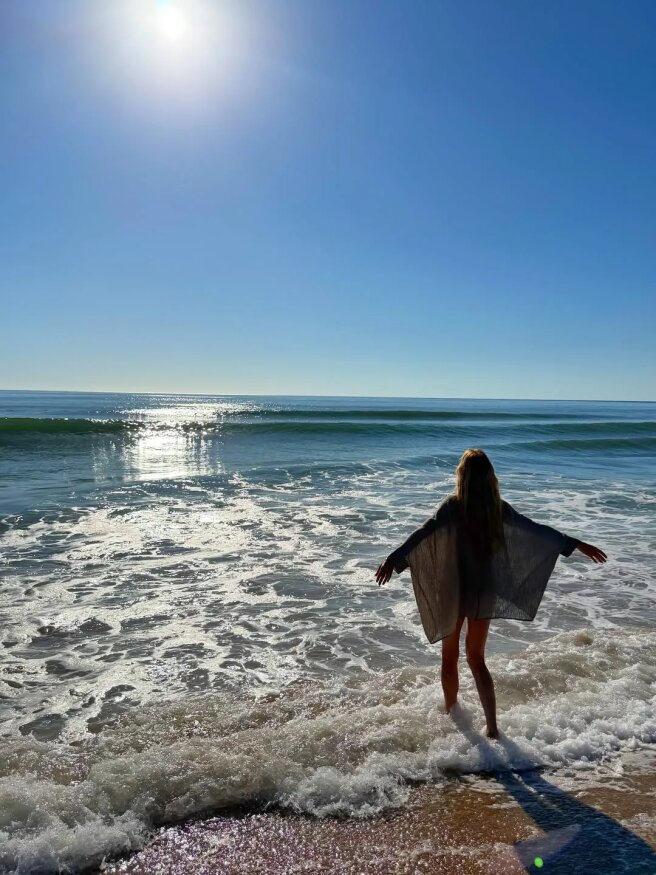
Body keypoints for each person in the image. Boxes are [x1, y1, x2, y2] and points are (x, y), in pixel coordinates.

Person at [375, 449, 607, 739]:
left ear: (462, 476)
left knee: (449, 658)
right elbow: (536, 530)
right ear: (490, 478)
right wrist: (574, 544)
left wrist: (393, 560)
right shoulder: (498, 509)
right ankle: (493, 728)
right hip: (483, 590)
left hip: (454, 589)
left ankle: (453, 715)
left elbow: (423, 533)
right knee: (476, 658)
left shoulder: (452, 506)